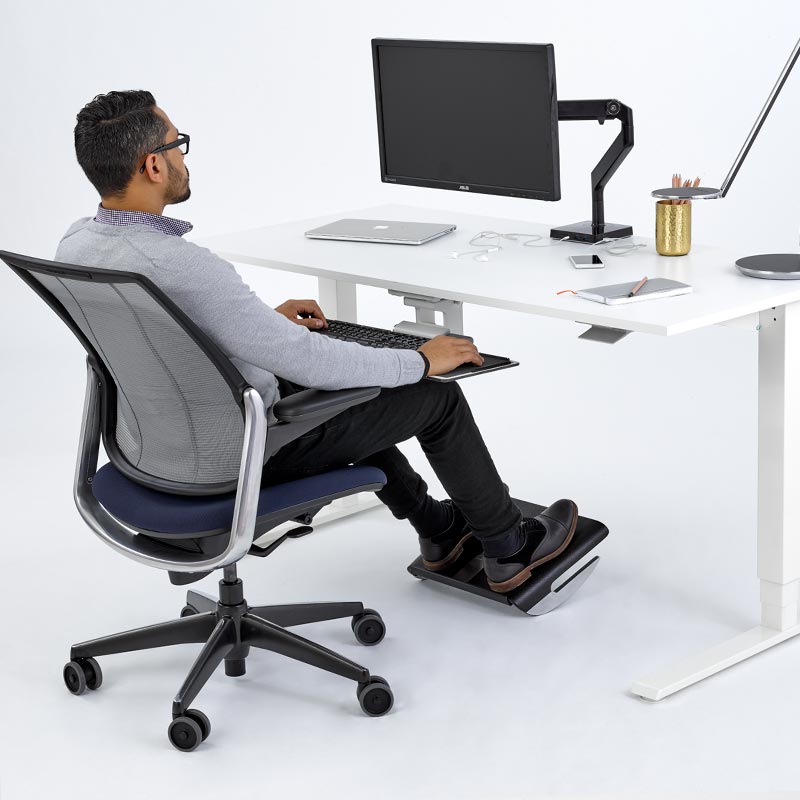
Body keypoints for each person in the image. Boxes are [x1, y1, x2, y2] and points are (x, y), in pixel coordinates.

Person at [56, 90, 579, 594]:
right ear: (152, 165)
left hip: (153, 448)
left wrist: (257, 322)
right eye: (177, 144)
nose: (184, 158)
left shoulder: (78, 245)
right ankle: (510, 546)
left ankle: (439, 530)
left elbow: (164, 340)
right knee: (432, 397)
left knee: (359, 389)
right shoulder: (185, 266)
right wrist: (418, 360)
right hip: (237, 456)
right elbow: (309, 362)